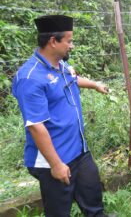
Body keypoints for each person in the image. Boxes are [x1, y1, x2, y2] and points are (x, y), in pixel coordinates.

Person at [12, 15, 109, 217]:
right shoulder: (29, 78)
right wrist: (56, 165)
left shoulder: (60, 65)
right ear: (53, 41)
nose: (72, 46)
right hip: (53, 159)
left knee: (94, 204)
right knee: (59, 213)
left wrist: (95, 85)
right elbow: (35, 126)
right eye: (69, 41)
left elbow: (72, 79)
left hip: (79, 151)